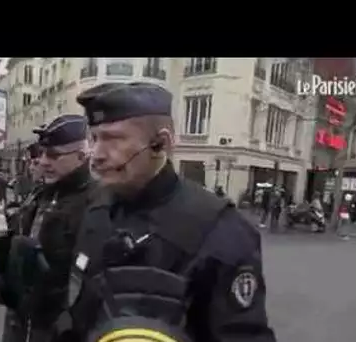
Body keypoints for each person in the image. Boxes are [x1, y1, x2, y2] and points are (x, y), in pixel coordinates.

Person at [51, 82, 275, 342]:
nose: (97, 154)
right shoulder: (94, 208)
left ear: (161, 144)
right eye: (95, 138)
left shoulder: (222, 230)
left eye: (113, 139)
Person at [0, 114, 96, 342]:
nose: (43, 161)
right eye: (42, 153)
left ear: (81, 156)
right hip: (18, 329)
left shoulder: (98, 203)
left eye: (53, 155)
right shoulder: (38, 196)